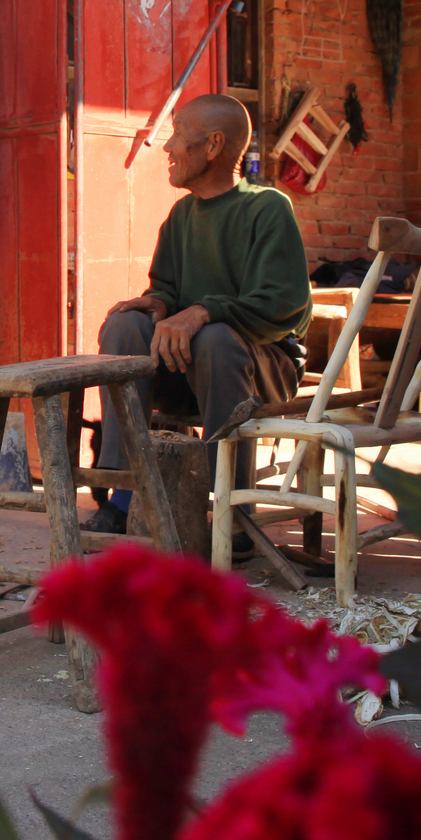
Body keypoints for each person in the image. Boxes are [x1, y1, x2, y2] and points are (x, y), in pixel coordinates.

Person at [91, 95, 312, 536]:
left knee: (214, 338)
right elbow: (167, 291)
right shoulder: (180, 216)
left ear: (212, 146)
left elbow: (282, 304)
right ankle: (122, 491)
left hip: (258, 371)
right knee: (124, 324)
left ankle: (232, 513)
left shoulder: (267, 208)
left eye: (177, 135)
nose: (167, 148)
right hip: (187, 371)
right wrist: (159, 304)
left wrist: (203, 311)